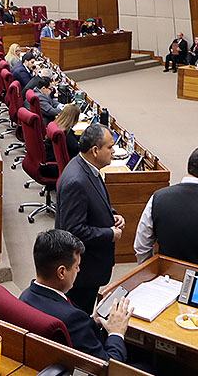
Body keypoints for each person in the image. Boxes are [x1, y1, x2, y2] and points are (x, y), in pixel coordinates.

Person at [19, 230, 132, 363]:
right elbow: (108, 366)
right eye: (76, 266)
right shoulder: (74, 319)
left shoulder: (25, 296)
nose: (78, 270)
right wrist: (116, 332)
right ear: (61, 272)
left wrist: (92, 320)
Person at [55, 123, 123, 313]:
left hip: (90, 266)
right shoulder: (77, 180)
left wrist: (113, 214)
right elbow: (73, 230)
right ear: (95, 150)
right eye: (109, 147)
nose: (113, 151)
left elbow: (94, 200)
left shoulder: (87, 167)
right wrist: (109, 233)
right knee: (79, 315)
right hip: (81, 271)